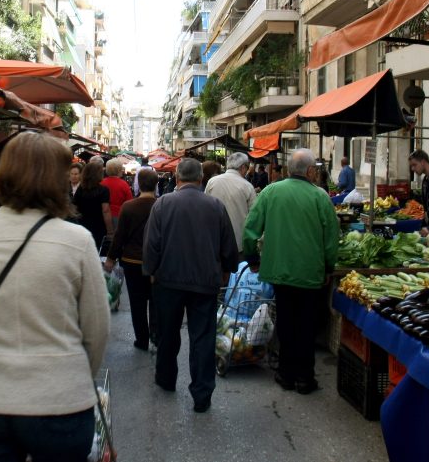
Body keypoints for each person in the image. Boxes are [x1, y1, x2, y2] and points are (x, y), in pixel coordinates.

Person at [0, 131, 109, 462]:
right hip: (60, 398)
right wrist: (74, 373)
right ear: (59, 179)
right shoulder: (78, 240)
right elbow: (96, 331)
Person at [144, 158, 239, 413]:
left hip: (168, 281)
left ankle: (165, 379)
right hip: (205, 282)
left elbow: (152, 243)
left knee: (168, 333)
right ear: (201, 179)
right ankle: (202, 394)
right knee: (202, 337)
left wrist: (150, 270)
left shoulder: (162, 204)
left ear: (176, 178)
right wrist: (227, 268)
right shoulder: (215, 206)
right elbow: (228, 245)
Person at [243, 149, 339, 395]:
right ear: (309, 171)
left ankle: (286, 374)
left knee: (285, 321)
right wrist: (329, 266)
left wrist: (252, 257)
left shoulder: (271, 191)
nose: (316, 173)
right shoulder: (320, 197)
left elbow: (251, 227)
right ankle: (305, 378)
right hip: (309, 273)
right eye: (315, 169)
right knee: (307, 324)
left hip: (279, 270)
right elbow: (331, 238)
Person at [105, 167, 159, 351]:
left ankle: (141, 339)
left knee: (137, 302)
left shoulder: (128, 207)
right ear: (156, 184)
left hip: (132, 261)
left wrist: (111, 259)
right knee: (155, 300)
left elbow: (119, 236)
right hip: (156, 263)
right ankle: (154, 335)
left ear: (138, 184)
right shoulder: (162, 205)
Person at [204, 151, 256, 250]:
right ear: (243, 167)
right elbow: (253, 217)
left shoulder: (212, 182)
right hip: (238, 242)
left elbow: (204, 207)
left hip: (215, 240)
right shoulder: (247, 186)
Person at [72, 159, 113, 252]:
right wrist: (110, 231)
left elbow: (74, 207)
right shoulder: (103, 190)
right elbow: (105, 210)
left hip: (82, 225)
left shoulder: (80, 189)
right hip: (98, 226)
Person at [101, 158, 133, 229]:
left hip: (102, 216)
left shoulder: (101, 183)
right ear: (119, 170)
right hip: (119, 215)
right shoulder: (124, 184)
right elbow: (129, 202)